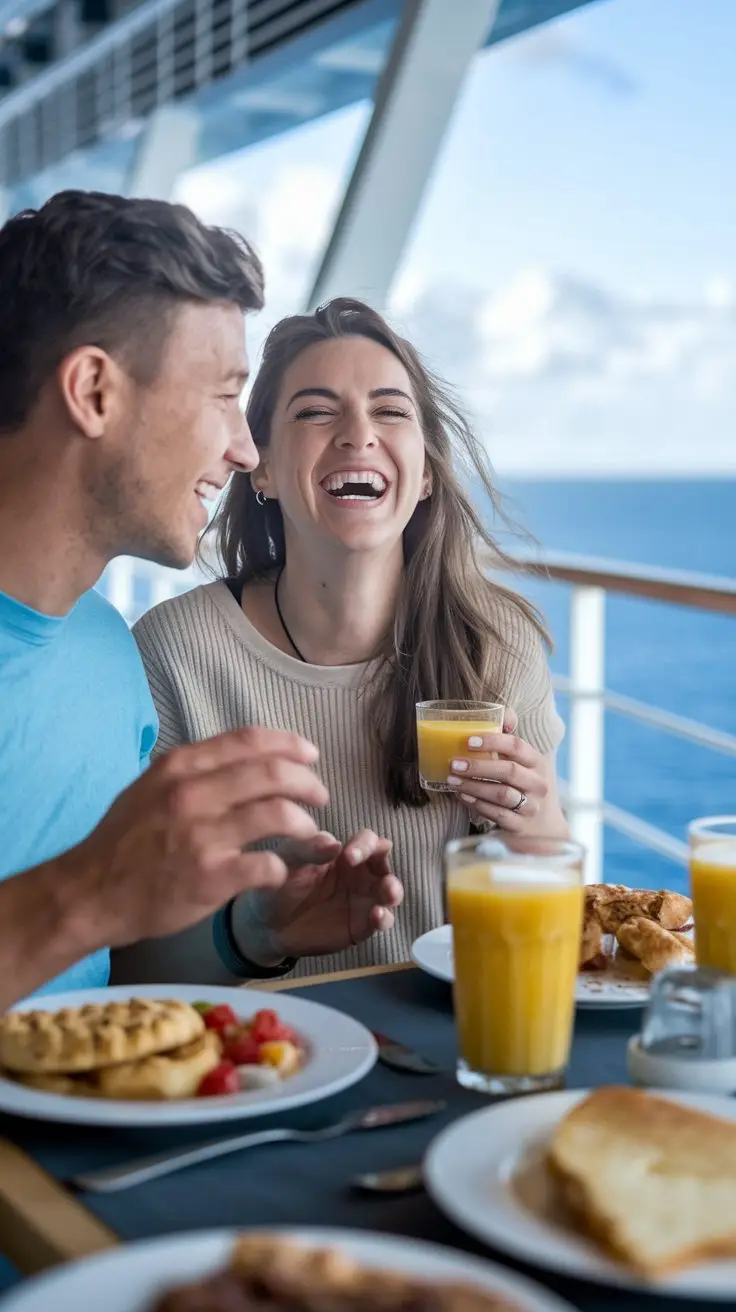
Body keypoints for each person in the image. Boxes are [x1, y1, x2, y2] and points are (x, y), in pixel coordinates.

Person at [0, 191, 398, 1011]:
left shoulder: (107, 658)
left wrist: (255, 929)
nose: (245, 447)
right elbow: (78, 908)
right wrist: (83, 889)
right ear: (95, 392)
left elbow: (96, 971)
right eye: (223, 394)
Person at [128, 298, 568, 986]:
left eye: (391, 411)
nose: (358, 434)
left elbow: (551, 934)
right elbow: (128, 951)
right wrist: (256, 927)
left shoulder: (496, 643)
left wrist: (539, 829)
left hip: (454, 1048)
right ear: (261, 467)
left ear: (424, 472)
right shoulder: (174, 653)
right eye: (314, 411)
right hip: (259, 1065)